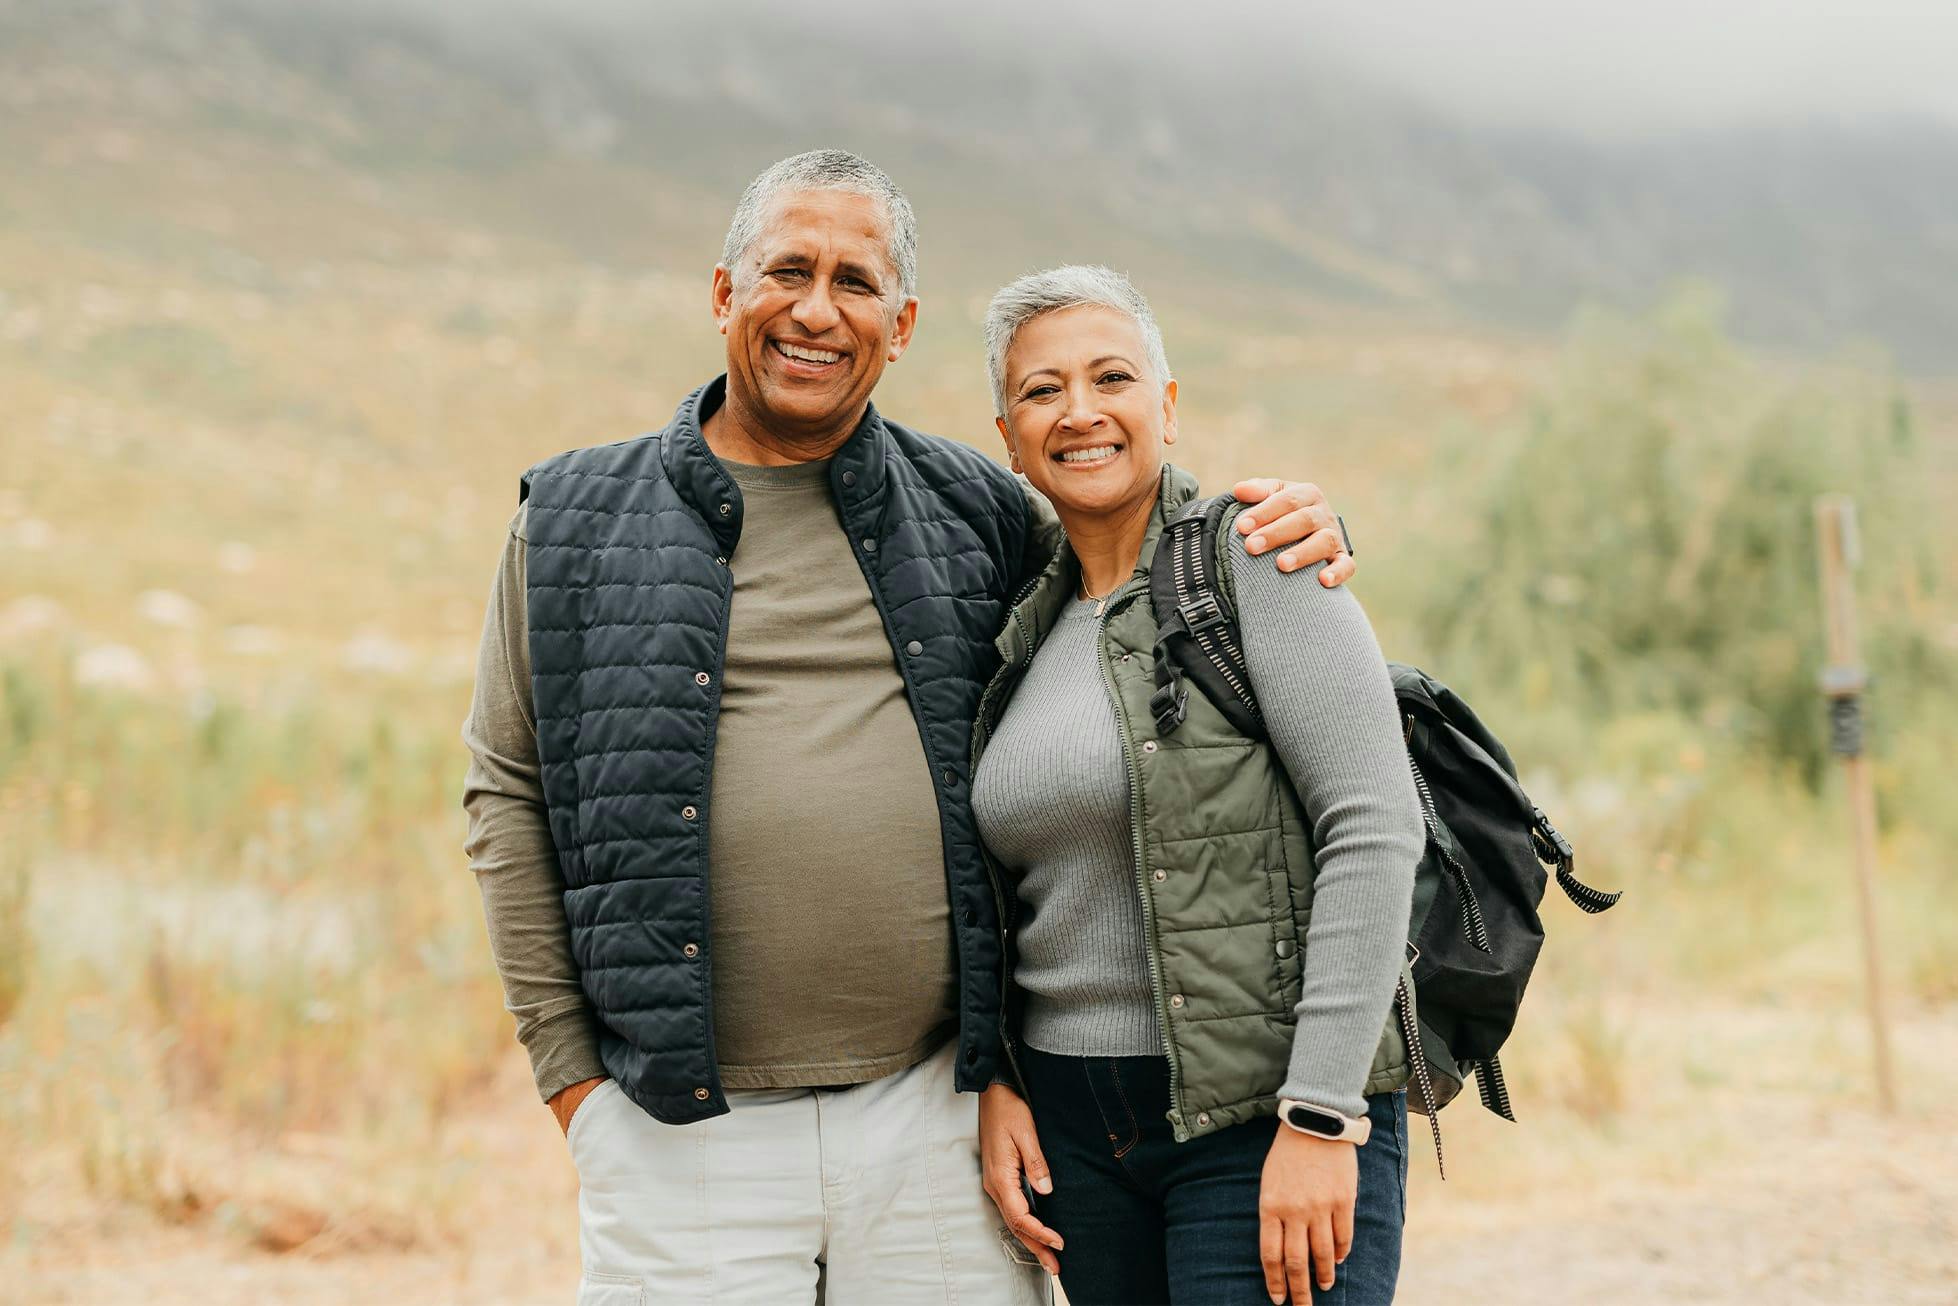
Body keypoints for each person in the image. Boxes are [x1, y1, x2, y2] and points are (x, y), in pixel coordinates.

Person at [460, 152, 1358, 1303]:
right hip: (680, 1128)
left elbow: (1126, 574)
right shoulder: (573, 519)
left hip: (935, 1117)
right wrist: (573, 1085)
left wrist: (1286, 532)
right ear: (725, 292)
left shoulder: (974, 508)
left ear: (901, 323)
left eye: (855, 281)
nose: (816, 309)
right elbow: (504, 789)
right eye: (787, 269)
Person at [970, 265, 1426, 1306]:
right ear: (1007, 434)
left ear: (1165, 406)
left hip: (1259, 1118)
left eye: (1110, 377)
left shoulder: (1255, 560)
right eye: (1040, 391)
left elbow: (1371, 827)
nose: (1078, 411)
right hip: (1077, 1142)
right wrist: (997, 1069)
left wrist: (1319, 1115)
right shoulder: (1017, 627)